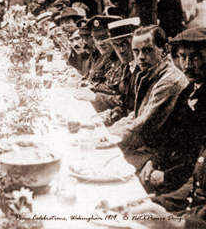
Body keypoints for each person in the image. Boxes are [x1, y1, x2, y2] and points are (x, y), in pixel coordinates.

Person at [108, 25, 188, 171]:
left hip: (161, 155)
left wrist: (105, 139)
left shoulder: (170, 80)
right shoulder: (150, 72)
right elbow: (136, 114)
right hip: (146, 146)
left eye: (147, 50)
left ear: (164, 50)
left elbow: (143, 124)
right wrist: (108, 132)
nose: (141, 57)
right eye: (136, 51)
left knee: (110, 167)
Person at [138, 27, 206, 195]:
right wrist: (153, 162)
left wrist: (167, 177)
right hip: (169, 169)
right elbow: (170, 135)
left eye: (195, 57)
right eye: (182, 57)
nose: (187, 65)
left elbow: (199, 157)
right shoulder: (190, 89)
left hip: (189, 182)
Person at [75, 17, 140, 114]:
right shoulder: (122, 63)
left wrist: (95, 96)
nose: (100, 43)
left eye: (104, 38)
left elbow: (126, 101)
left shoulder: (131, 64)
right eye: (96, 39)